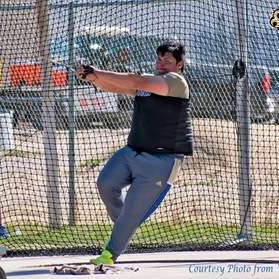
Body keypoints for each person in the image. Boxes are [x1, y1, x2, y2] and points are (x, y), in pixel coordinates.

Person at [76, 40, 193, 265]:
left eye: (167, 60)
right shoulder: (151, 84)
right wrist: (90, 77)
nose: (161, 63)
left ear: (179, 64)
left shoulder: (176, 81)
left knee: (131, 213)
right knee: (106, 183)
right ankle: (125, 227)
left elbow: (134, 80)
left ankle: (109, 254)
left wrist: (97, 71)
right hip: (132, 152)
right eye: (159, 58)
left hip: (163, 161)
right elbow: (119, 87)